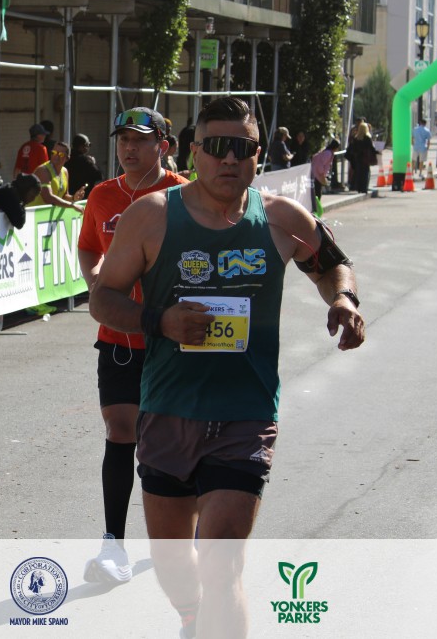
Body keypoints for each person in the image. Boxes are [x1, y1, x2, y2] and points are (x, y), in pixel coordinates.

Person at [88, 96, 364, 638]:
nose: (230, 159)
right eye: (217, 147)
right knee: (173, 567)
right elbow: (103, 299)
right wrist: (160, 321)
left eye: (243, 148)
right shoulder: (151, 216)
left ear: (258, 155)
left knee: (222, 565)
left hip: (245, 416)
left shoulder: (281, 219)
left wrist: (344, 300)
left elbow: (334, 265)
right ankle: (192, 616)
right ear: (195, 152)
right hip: (168, 409)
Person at [76, 105, 188, 585]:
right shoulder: (102, 195)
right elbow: (88, 245)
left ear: (162, 145)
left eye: (140, 140)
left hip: (172, 341)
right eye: (123, 139)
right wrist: (95, 280)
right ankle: (113, 545)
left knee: (172, 440)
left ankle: (181, 537)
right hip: (118, 339)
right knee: (120, 429)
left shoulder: (183, 195)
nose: (129, 148)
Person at [30, 140, 85, 211]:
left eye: (61, 154)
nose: (56, 156)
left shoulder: (65, 171)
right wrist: (72, 205)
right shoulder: (43, 170)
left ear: (67, 158)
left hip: (46, 215)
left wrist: (73, 197)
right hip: (33, 215)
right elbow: (48, 197)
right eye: (54, 152)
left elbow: (64, 196)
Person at [65, 133, 102, 200]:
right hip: (82, 195)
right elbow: (99, 175)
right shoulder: (86, 160)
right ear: (82, 147)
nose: (88, 148)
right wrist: (93, 163)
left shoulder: (66, 158)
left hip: (68, 195)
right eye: (88, 145)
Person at [310, 139, 339, 216]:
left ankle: (315, 210)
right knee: (317, 193)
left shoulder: (326, 152)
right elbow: (321, 164)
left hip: (316, 174)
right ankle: (315, 211)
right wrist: (322, 174)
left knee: (317, 192)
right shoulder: (328, 153)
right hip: (318, 175)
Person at [349, 122, 377, 193]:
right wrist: (377, 152)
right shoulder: (367, 138)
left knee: (359, 173)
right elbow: (371, 148)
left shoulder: (356, 138)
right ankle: (364, 188)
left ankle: (359, 187)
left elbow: (353, 148)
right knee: (365, 173)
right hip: (365, 158)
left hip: (358, 158)